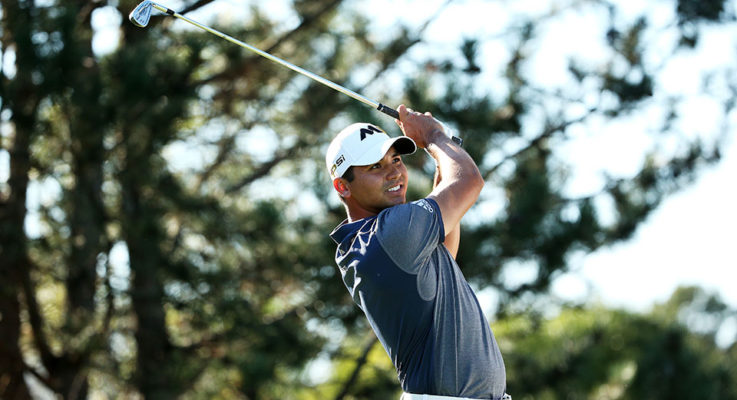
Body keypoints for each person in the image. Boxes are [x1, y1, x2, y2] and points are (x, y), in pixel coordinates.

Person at [325, 105, 510, 400]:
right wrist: (434, 136)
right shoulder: (392, 232)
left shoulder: (369, 241)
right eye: (375, 166)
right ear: (343, 187)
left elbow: (445, 252)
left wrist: (443, 154)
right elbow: (469, 182)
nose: (394, 171)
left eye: (396, 159)